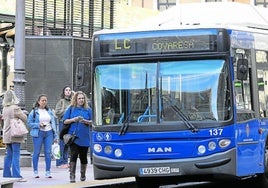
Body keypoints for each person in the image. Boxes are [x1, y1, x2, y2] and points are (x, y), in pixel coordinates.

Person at [63, 91, 92, 183]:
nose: (81, 100)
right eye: (79, 98)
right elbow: (65, 121)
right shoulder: (71, 109)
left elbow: (93, 121)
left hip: (85, 136)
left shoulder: (88, 110)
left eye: (82, 98)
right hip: (73, 136)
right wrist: (74, 119)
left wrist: (86, 121)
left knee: (83, 156)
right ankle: (72, 176)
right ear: (75, 99)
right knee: (74, 155)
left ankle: (83, 174)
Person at [27, 94, 59, 178]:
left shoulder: (49, 111)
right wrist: (38, 124)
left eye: (45, 100)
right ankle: (35, 171)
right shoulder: (34, 111)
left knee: (48, 152)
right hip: (38, 133)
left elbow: (53, 123)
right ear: (38, 102)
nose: (44, 102)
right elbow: (29, 123)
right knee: (36, 152)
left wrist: (55, 136)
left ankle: (48, 171)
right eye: (42, 100)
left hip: (49, 133)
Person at [2, 90, 28, 182]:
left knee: (9, 155)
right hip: (15, 134)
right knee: (16, 155)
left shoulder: (5, 108)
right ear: (13, 97)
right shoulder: (15, 108)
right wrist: (24, 113)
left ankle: (6, 174)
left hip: (7, 134)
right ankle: (17, 175)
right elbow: (24, 118)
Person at [54, 86, 72, 168]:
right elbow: (57, 113)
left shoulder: (72, 102)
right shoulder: (61, 101)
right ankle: (59, 162)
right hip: (63, 123)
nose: (68, 92)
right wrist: (66, 110)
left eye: (69, 90)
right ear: (64, 92)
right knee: (62, 142)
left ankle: (65, 161)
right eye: (66, 90)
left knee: (68, 142)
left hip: (70, 123)